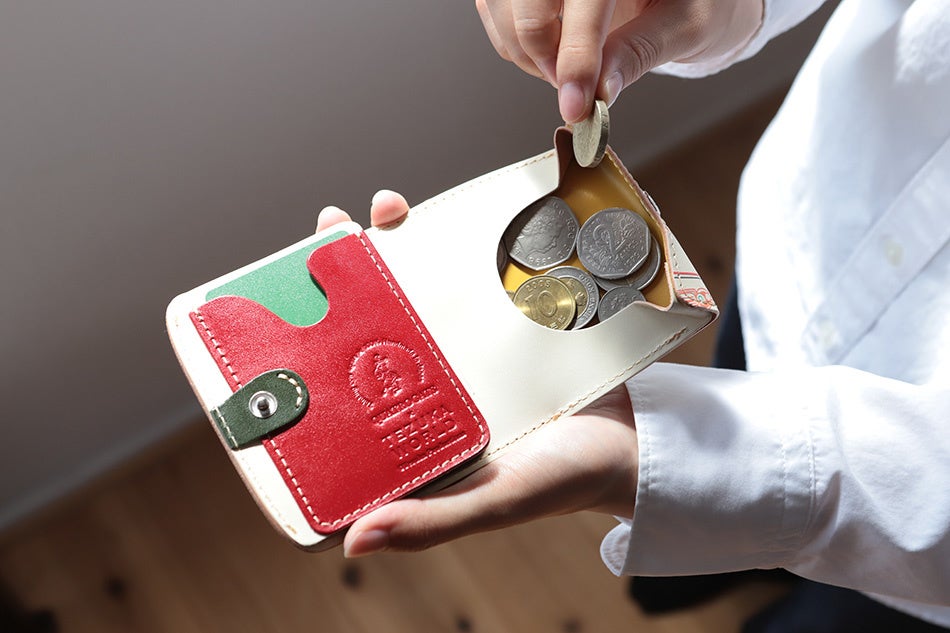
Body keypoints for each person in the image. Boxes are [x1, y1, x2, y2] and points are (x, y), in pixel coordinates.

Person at [318, 0, 950, 629]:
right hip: (805, 239)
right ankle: (707, 572)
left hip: (915, 545)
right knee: (733, 388)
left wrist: (676, 462)